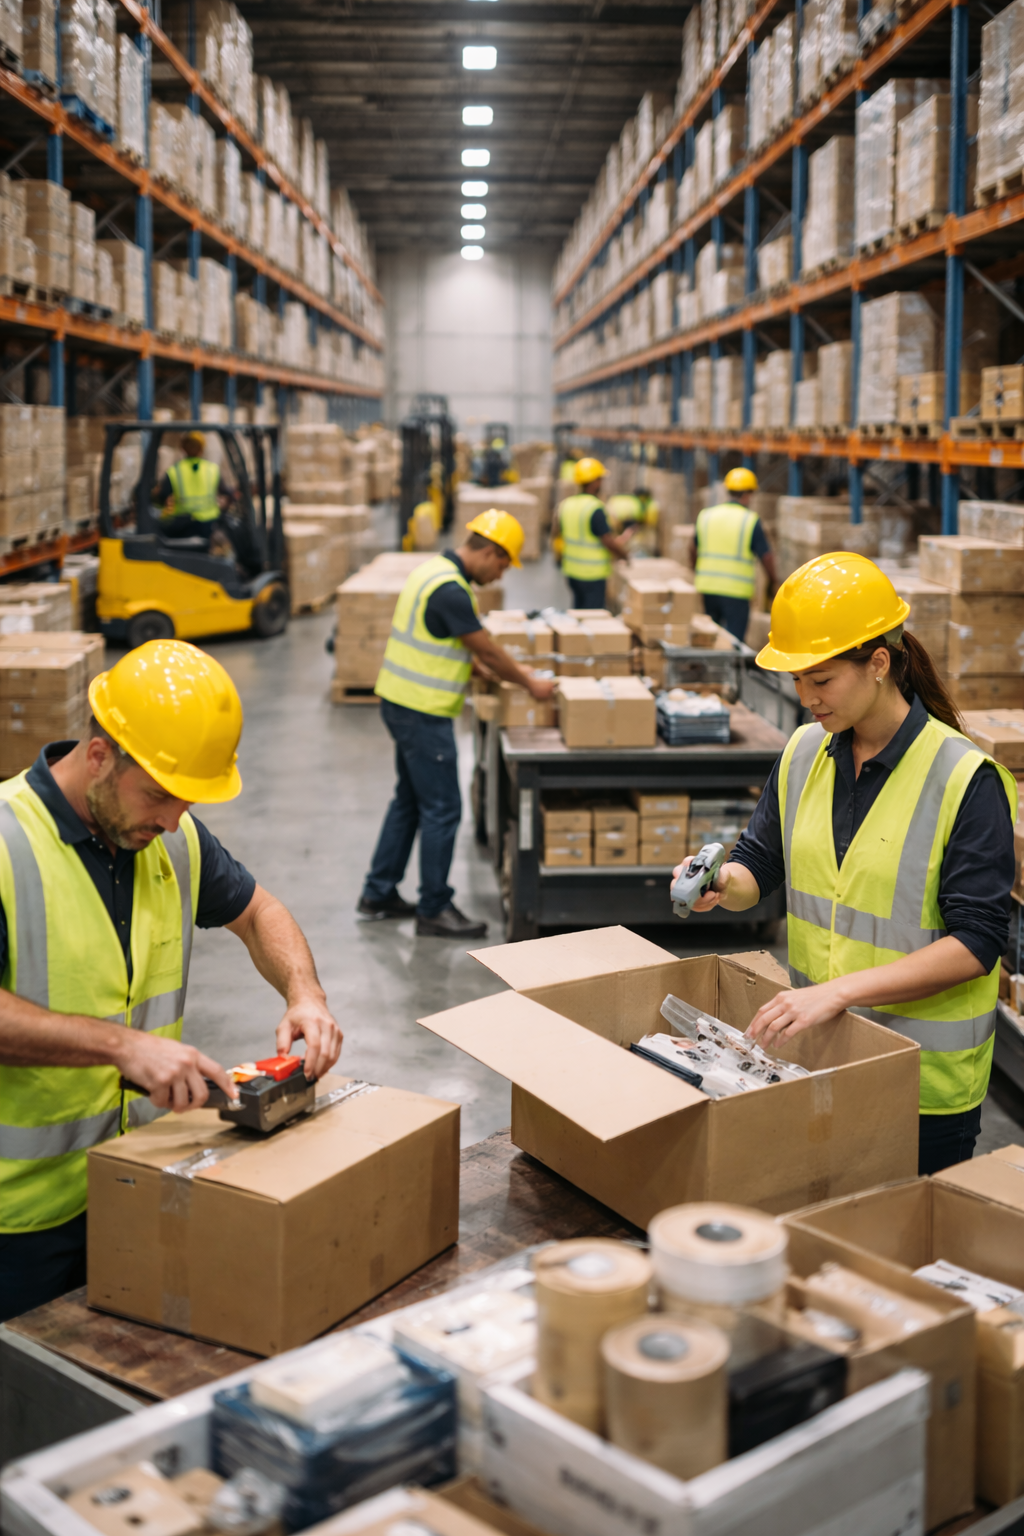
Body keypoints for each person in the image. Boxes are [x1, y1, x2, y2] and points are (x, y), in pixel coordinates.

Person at [0, 639, 342, 1322]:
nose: (171, 820)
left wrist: (304, 992)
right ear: (99, 754)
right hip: (17, 1222)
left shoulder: (168, 838)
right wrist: (121, 1046)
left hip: (133, 1182)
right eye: (158, 795)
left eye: (186, 802)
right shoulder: (7, 845)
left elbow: (259, 912)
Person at [674, 552, 1017, 1177]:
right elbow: (761, 861)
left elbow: (978, 942)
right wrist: (724, 884)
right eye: (798, 680)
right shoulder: (806, 752)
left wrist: (837, 993)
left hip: (922, 1085)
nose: (806, 698)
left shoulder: (965, 779)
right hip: (820, 1054)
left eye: (822, 680)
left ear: (879, 664)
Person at [360, 511, 557, 939]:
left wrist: (472, 669)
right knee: (442, 808)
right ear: (489, 552)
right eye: (503, 564)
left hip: (400, 701)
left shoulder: (430, 570)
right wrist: (530, 683)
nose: (501, 573)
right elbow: (486, 649)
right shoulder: (452, 591)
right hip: (423, 713)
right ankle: (434, 908)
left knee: (410, 801)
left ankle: (378, 893)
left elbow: (437, 641)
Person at [691, 467, 778, 642]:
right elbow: (766, 557)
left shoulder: (706, 515)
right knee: (734, 641)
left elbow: (692, 548)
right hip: (736, 591)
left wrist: (697, 571)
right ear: (748, 494)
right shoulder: (750, 520)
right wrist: (773, 581)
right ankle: (730, 669)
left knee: (711, 637)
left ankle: (713, 669)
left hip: (707, 586)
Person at [558, 457, 632, 610]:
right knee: (593, 618)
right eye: (600, 479)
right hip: (592, 574)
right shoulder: (594, 508)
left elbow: (556, 534)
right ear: (594, 482)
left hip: (571, 572)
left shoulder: (566, 504)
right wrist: (624, 555)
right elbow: (607, 541)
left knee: (578, 611)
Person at [157, 431, 226, 545]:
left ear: (183, 448)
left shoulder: (174, 471)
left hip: (183, 526)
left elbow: (161, 497)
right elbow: (226, 492)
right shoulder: (212, 469)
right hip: (209, 526)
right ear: (202, 448)